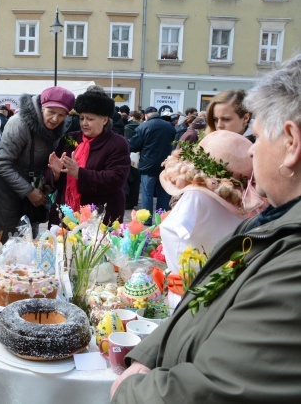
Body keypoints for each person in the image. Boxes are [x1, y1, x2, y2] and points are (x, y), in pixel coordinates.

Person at [111, 54, 301, 404]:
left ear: (291, 143)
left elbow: (219, 388)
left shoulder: (293, 260)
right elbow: (201, 304)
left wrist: (129, 391)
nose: (252, 151)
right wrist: (148, 354)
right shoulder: (272, 223)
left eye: (256, 138)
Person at [159, 130, 266, 308]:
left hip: (187, 291)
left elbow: (171, 231)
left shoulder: (196, 196)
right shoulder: (243, 207)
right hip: (221, 289)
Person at [0, 86, 75, 241]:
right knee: (5, 243)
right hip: (5, 191)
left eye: (61, 115)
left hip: (30, 190)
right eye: (51, 112)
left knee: (28, 244)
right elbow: (2, 163)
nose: (55, 119)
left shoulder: (58, 129)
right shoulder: (19, 123)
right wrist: (29, 191)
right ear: (41, 107)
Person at [45, 89, 130, 225]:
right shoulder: (70, 139)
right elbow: (53, 176)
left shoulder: (117, 143)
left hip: (99, 216)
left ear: (104, 120)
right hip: (66, 214)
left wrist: (80, 173)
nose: (84, 123)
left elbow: (116, 179)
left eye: (90, 119)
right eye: (82, 118)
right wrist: (55, 173)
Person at [128, 105, 176, 224]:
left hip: (148, 165)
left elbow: (133, 145)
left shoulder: (143, 126)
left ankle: (146, 220)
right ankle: (162, 220)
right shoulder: (169, 126)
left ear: (146, 115)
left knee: (147, 193)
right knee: (163, 194)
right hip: (166, 164)